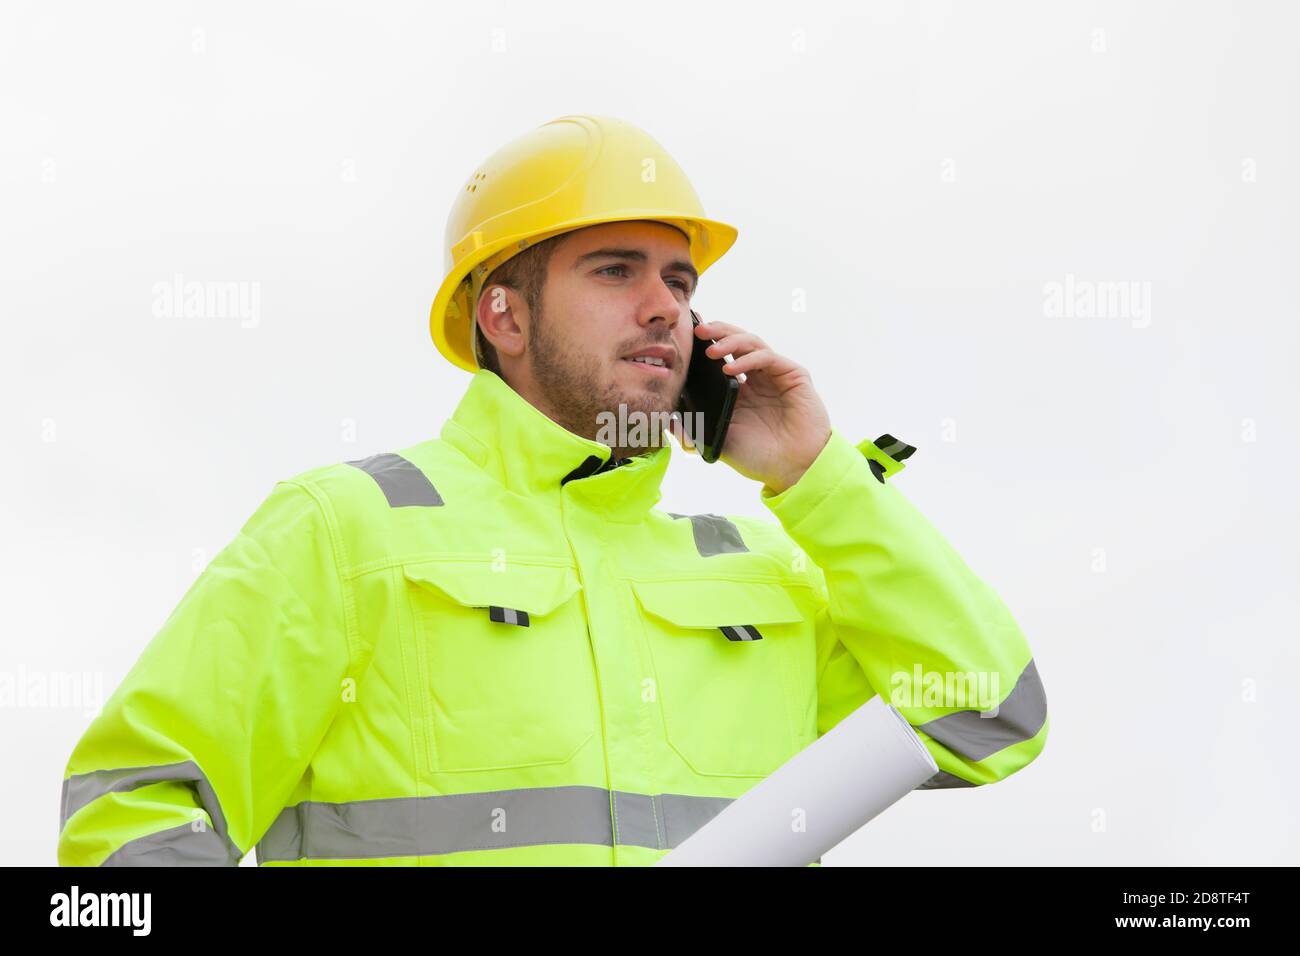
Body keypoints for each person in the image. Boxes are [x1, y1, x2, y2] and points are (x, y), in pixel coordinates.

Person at [57, 114, 1047, 866]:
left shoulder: (763, 574)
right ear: (505, 315)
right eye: (615, 270)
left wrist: (819, 477)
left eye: (680, 281)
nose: (665, 306)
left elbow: (987, 715)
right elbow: (134, 806)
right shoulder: (348, 527)